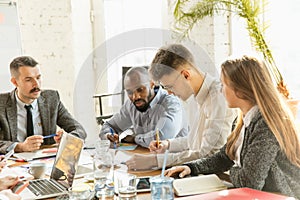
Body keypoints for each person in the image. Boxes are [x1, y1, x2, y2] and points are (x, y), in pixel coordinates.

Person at [165, 55, 300, 199]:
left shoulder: (266, 124)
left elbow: (250, 182)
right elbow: (224, 157)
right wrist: (191, 167)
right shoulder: (244, 119)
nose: (220, 90)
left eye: (223, 85)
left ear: (241, 89)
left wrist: (233, 169)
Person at [126, 44, 235, 170]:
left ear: (186, 75)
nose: (169, 92)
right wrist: (167, 145)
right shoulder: (194, 97)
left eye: (170, 86)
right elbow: (194, 142)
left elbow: (209, 154)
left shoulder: (219, 97)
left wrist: (155, 160)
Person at [0, 56, 87, 154]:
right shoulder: (1, 104)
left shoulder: (52, 99)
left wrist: (66, 140)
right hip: (14, 164)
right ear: (15, 82)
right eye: (28, 80)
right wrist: (20, 146)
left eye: (38, 77)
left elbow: (79, 130)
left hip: (46, 162)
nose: (36, 84)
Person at [99, 66, 188, 148]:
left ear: (152, 84)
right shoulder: (131, 105)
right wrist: (108, 135)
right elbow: (109, 125)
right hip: (148, 160)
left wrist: (135, 139)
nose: (135, 97)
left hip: (176, 162)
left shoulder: (172, 103)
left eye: (140, 90)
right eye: (129, 92)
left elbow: (162, 137)